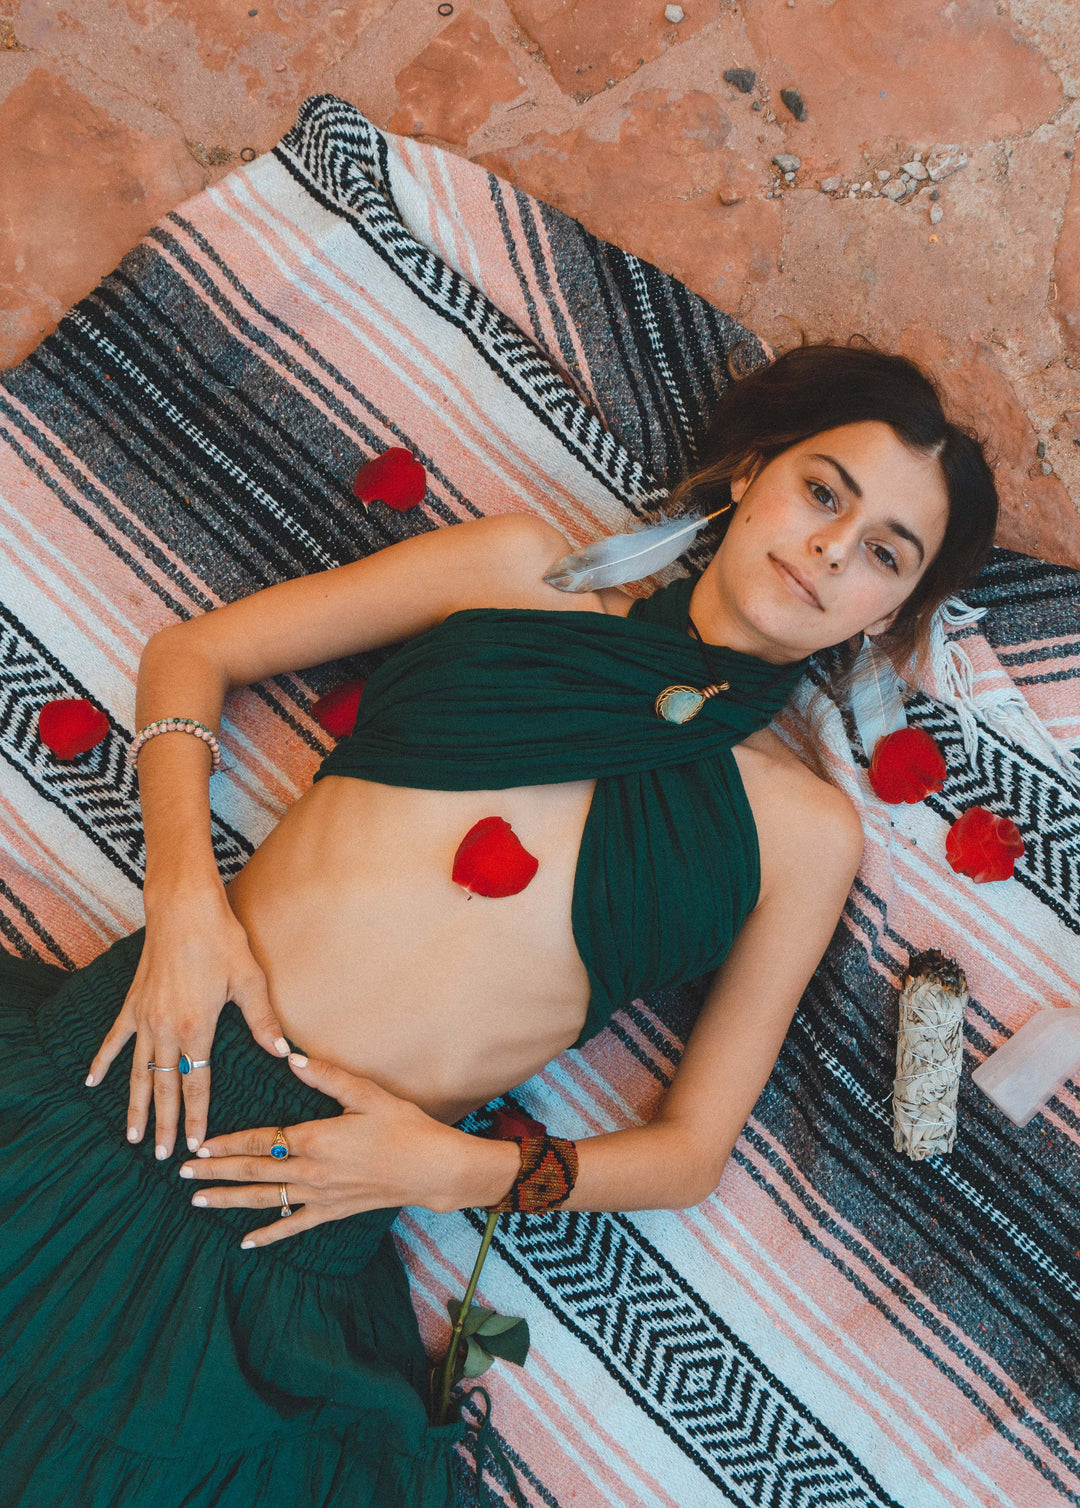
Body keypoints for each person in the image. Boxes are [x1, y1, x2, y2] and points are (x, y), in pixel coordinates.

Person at [0, 340, 999, 1506]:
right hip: (122, 1060)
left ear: (889, 615)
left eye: (885, 552)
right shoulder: (520, 570)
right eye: (824, 490)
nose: (834, 548)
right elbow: (195, 652)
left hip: (300, 1220)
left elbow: (689, 1152)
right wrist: (183, 904)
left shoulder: (806, 834)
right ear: (749, 474)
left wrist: (456, 1164)